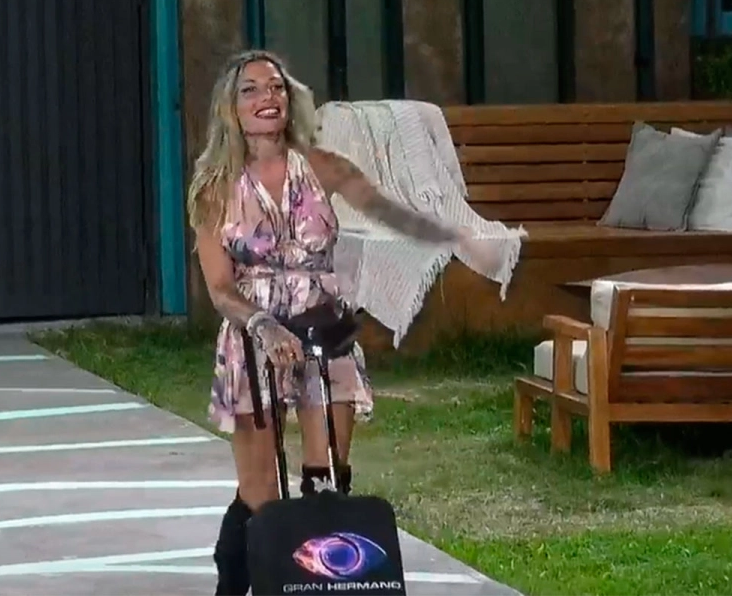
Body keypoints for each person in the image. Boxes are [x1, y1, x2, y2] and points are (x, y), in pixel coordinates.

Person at [188, 49, 500, 596]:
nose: (268, 98)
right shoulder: (215, 186)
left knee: (327, 481)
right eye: (251, 90)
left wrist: (459, 237)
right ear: (230, 108)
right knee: (259, 493)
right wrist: (263, 324)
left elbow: (391, 211)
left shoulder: (322, 166)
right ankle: (234, 584)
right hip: (253, 338)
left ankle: (321, 585)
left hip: (324, 334)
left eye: (276, 87)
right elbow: (219, 287)